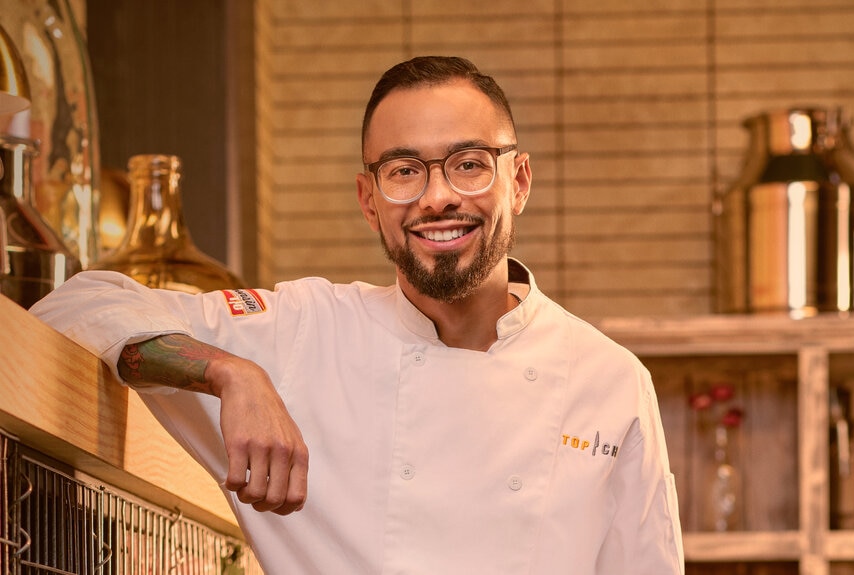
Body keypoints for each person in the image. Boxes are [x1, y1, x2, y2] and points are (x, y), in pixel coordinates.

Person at [30, 56, 684, 574]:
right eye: (405, 171)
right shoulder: (305, 330)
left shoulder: (610, 380)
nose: (438, 197)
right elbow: (72, 307)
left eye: (469, 165)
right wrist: (231, 372)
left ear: (518, 182)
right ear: (369, 199)